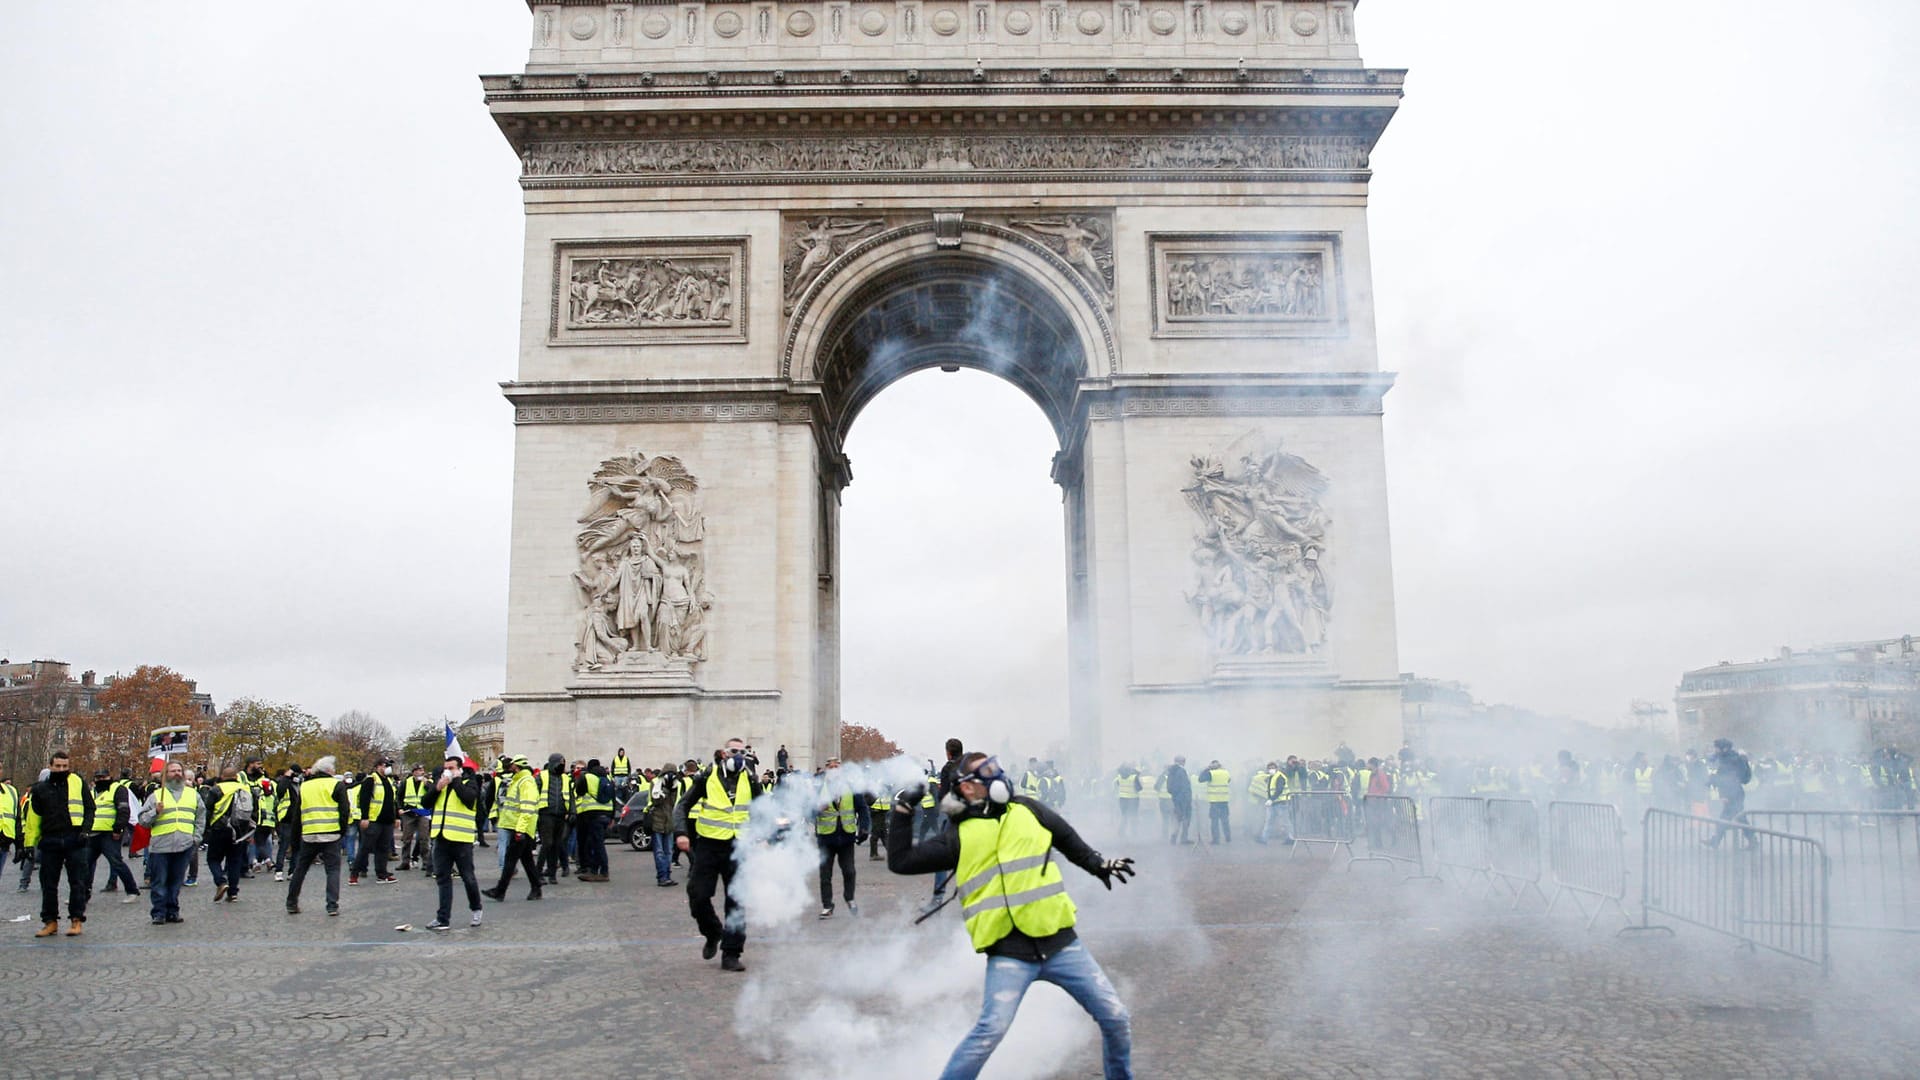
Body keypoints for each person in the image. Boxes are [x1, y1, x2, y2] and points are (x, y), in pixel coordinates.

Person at [887, 751, 1136, 1080]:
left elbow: (1066, 838)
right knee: (988, 1033)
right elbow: (901, 861)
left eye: (993, 767)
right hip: (1009, 953)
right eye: (984, 772)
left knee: (1116, 1017)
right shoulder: (959, 835)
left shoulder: (1028, 809)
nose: (996, 774)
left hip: (1061, 944)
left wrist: (1098, 864)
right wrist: (903, 812)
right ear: (967, 789)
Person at [673, 737, 764, 972]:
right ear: (723, 753)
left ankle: (731, 953)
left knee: (736, 901)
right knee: (697, 895)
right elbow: (682, 804)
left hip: (739, 847)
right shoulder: (707, 776)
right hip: (709, 845)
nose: (739, 756)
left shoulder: (751, 779)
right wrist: (682, 833)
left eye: (743, 752)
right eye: (734, 751)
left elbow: (763, 809)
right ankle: (713, 933)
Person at [22, 750, 95, 937]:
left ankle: (76, 920)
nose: (62, 769)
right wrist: (29, 844)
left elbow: (89, 807)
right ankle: (50, 921)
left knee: (77, 882)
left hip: (75, 838)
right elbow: (33, 820)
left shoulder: (78, 782)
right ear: (50, 766)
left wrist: (86, 830)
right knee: (48, 884)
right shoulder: (40, 789)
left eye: (65, 766)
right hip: (50, 839)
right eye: (58, 766)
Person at [138, 759, 205, 926]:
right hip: (161, 845)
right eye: (173, 771)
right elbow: (143, 821)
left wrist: (196, 838)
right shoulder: (156, 796)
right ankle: (158, 912)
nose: (177, 773)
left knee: (176, 881)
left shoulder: (193, 795)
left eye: (179, 771)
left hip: (184, 844)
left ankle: (173, 910)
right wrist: (155, 811)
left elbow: (200, 818)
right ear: (165, 775)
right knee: (159, 881)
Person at [424, 754, 484, 932]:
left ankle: (476, 908)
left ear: (459, 769)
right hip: (441, 837)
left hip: (461, 839)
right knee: (443, 878)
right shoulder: (440, 785)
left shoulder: (469, 783)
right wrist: (436, 788)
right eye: (446, 768)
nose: (447, 771)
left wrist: (456, 781)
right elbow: (425, 802)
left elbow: (469, 799)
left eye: (451, 768)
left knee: (468, 877)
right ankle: (443, 918)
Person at [285, 755, 351, 916]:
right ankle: (332, 905)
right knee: (333, 870)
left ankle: (291, 902)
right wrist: (342, 831)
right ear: (329, 771)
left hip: (309, 833)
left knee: (300, 869)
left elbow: (297, 815)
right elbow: (344, 811)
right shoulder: (336, 785)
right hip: (331, 834)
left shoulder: (305, 786)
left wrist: (294, 840)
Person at [814, 760, 871, 918]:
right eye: (830, 767)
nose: (833, 769)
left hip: (846, 837)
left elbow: (862, 809)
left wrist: (864, 828)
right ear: (826, 769)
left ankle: (849, 897)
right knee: (825, 874)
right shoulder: (818, 787)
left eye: (836, 766)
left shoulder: (851, 786)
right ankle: (827, 905)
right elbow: (808, 811)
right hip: (826, 837)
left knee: (849, 871)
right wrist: (817, 808)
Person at [483, 755, 543, 901]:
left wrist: (520, 829)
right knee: (527, 860)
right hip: (518, 826)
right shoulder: (520, 780)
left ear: (516, 766)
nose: (509, 767)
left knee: (510, 861)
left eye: (511, 765)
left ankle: (500, 890)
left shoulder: (525, 782)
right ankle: (536, 888)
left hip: (520, 828)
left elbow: (527, 808)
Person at [87, 768, 140, 903]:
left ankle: (132, 890)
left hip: (110, 834)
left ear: (109, 777)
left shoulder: (118, 789)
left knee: (116, 862)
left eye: (103, 778)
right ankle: (81, 894)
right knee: (85, 864)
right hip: (93, 833)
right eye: (98, 778)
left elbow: (123, 810)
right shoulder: (93, 792)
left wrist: (118, 829)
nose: (100, 780)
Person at [206, 764, 256, 903]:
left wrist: (206, 830)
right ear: (236, 777)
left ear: (222, 777)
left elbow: (208, 809)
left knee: (213, 859)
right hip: (240, 830)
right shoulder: (245, 788)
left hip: (220, 828)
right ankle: (233, 892)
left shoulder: (217, 789)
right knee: (234, 861)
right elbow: (255, 808)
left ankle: (221, 881)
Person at [350, 757, 398, 886]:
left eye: (388, 765)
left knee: (383, 849)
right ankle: (354, 874)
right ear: (377, 767)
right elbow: (364, 800)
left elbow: (393, 800)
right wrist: (364, 817)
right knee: (365, 847)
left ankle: (382, 874)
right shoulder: (371, 780)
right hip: (373, 820)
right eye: (385, 765)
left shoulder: (389, 781)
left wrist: (396, 817)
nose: (387, 767)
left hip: (387, 820)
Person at [1702, 738, 1755, 849]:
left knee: (1726, 819)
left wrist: (1724, 794)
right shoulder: (1727, 758)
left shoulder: (1731, 760)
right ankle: (1753, 842)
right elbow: (1723, 777)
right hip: (1733, 793)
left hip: (1733, 794)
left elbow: (1730, 779)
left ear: (1724, 748)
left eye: (1717, 748)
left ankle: (1716, 841)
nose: (1715, 750)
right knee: (1740, 819)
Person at [535, 753, 574, 885]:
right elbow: (535, 793)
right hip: (546, 814)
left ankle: (552, 874)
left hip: (561, 815)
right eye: (560, 764)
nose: (562, 766)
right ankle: (538, 872)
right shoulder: (542, 776)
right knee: (547, 844)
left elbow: (571, 796)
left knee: (556, 845)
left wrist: (572, 811)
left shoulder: (565, 778)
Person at [574, 759, 614, 882]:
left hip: (593, 814)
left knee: (597, 844)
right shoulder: (607, 777)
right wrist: (612, 818)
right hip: (606, 813)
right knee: (595, 842)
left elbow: (579, 791)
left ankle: (603, 872)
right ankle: (594, 870)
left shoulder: (587, 777)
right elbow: (613, 796)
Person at [647, 761, 680, 887]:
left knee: (669, 851)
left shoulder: (676, 785)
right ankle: (662, 876)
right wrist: (665, 789)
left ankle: (668, 875)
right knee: (659, 851)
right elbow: (655, 801)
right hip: (657, 821)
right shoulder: (655, 783)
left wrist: (671, 789)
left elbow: (673, 803)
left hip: (669, 822)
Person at [397, 764, 431, 870]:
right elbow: (399, 796)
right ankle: (405, 861)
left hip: (423, 813)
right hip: (409, 813)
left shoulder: (428, 782)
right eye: (418, 770)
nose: (420, 772)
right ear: (413, 772)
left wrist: (427, 785)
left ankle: (426, 862)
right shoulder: (406, 782)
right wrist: (400, 808)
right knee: (406, 839)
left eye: (421, 770)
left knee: (424, 838)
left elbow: (432, 794)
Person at [1196, 759, 1232, 843]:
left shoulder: (1211, 773)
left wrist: (1207, 769)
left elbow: (1200, 779)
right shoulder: (1226, 773)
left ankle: (1216, 839)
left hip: (1214, 800)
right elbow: (1229, 781)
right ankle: (1228, 837)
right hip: (1224, 800)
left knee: (1214, 820)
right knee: (1225, 820)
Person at [1162, 757, 1193, 844]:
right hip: (1183, 799)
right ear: (1182, 762)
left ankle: (1173, 837)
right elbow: (1185, 786)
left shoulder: (1171, 771)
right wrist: (1187, 798)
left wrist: (1175, 796)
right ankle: (1184, 838)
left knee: (1177, 818)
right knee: (1186, 818)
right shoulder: (1181, 771)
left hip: (1176, 799)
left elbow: (1170, 788)